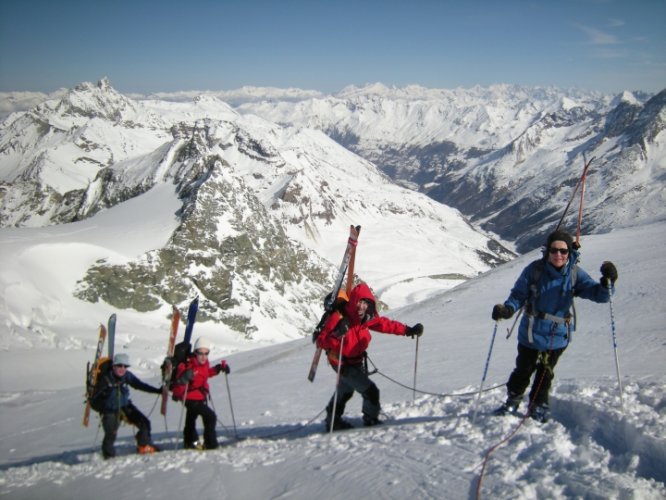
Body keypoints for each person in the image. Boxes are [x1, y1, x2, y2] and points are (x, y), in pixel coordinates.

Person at [491, 229, 618, 423]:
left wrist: (608, 283)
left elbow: (599, 295)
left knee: (545, 372)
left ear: (569, 253)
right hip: (531, 334)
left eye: (563, 251)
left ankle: (538, 404)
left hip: (557, 335)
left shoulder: (574, 274)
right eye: (554, 250)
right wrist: (507, 309)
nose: (558, 254)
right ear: (547, 251)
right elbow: (518, 295)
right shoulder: (534, 270)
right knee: (523, 369)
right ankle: (513, 399)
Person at [316, 282, 424, 430]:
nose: (362, 306)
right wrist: (337, 334)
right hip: (342, 363)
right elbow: (321, 341)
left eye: (366, 302)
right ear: (354, 301)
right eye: (360, 301)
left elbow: (385, 325)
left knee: (345, 391)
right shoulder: (339, 317)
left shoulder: (365, 318)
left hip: (356, 361)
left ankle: (332, 420)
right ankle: (370, 421)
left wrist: (408, 330)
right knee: (370, 391)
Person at [90, 353, 162, 459]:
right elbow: (94, 401)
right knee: (111, 434)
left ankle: (143, 445)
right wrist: (104, 405)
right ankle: (108, 457)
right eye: (119, 365)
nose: (122, 369)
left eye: (125, 366)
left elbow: (139, 385)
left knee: (144, 423)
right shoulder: (106, 380)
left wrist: (156, 391)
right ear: (113, 366)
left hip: (125, 406)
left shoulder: (126, 376)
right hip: (110, 410)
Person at [173, 336, 230, 450]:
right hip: (190, 398)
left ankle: (190, 442)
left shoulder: (204, 364)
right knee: (210, 417)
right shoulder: (187, 365)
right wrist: (184, 378)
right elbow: (178, 384)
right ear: (195, 352)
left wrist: (218, 368)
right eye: (200, 353)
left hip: (200, 396)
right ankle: (210, 444)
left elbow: (206, 373)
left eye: (206, 353)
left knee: (191, 420)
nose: (203, 356)